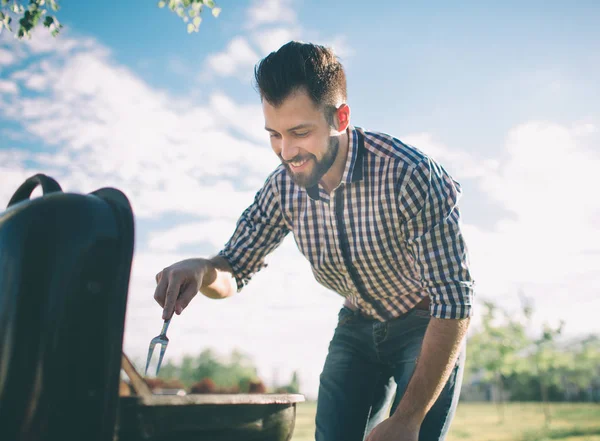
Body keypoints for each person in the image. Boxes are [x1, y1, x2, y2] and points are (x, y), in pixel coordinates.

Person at [153, 41, 475, 441]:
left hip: (426, 324)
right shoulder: (281, 189)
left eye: (300, 132)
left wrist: (408, 418)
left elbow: (454, 299)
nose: (286, 152)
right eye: (274, 134)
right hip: (356, 325)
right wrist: (203, 270)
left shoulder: (409, 175)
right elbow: (234, 268)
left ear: (340, 117)